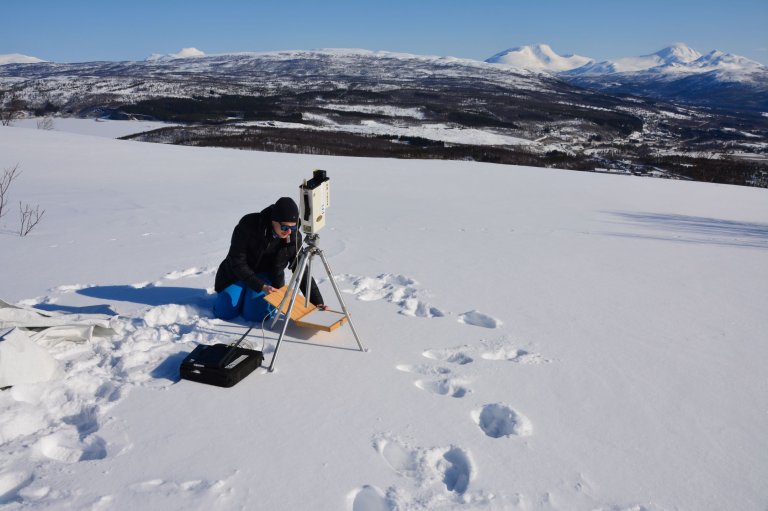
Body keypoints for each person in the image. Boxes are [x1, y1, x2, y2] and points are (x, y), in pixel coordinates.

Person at [213, 197, 326, 322]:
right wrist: (259, 286)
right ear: (274, 221)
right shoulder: (248, 224)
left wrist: (317, 303)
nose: (289, 232)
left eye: (293, 228)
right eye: (284, 227)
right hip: (236, 273)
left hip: (266, 278)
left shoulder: (293, 238)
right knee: (224, 312)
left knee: (256, 316)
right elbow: (237, 261)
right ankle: (242, 292)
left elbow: (301, 270)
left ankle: (248, 296)